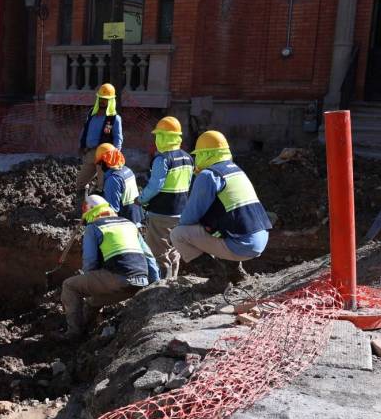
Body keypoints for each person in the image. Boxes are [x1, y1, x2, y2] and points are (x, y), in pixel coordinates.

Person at [171, 131, 272, 294]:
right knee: (214, 229)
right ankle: (236, 274)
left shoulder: (208, 175)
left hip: (242, 245)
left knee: (178, 234)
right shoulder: (236, 170)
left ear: (206, 154)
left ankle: (217, 279)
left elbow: (189, 218)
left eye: (198, 155)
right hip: (260, 238)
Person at [61, 195, 159, 339]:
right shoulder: (129, 224)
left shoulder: (93, 227)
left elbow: (90, 261)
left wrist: (91, 282)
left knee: (69, 286)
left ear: (90, 213)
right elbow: (149, 256)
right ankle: (88, 330)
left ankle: (74, 333)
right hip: (141, 280)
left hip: (119, 277)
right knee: (92, 302)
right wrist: (155, 284)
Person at [138, 116, 194, 279]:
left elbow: (156, 185)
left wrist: (141, 199)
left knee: (157, 250)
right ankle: (172, 281)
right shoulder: (187, 157)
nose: (156, 139)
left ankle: (160, 285)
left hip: (162, 212)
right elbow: (189, 182)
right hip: (182, 211)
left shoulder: (162, 159)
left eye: (158, 136)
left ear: (164, 137)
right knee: (173, 248)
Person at [76, 83, 123, 198]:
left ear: (111, 101)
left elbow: (118, 138)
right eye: (101, 98)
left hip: (104, 156)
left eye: (106, 99)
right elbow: (85, 130)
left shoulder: (114, 119)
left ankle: (100, 209)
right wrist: (81, 145)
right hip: (90, 153)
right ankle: (83, 204)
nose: (102, 101)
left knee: (102, 186)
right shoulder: (92, 114)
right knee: (80, 182)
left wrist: (114, 155)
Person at [93, 143, 143, 226]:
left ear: (104, 162)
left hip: (125, 222)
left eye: (100, 163)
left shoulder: (113, 180)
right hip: (136, 216)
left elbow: (113, 210)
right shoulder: (127, 170)